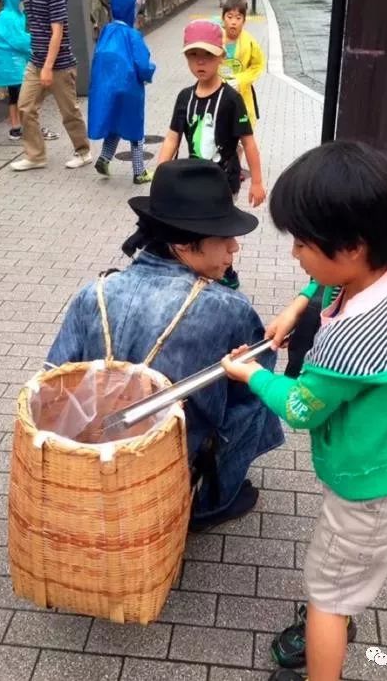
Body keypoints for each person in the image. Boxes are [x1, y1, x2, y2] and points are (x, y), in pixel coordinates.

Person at [221, 142, 387, 681]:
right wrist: (301, 302)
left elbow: (301, 407)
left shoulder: (347, 344)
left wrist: (253, 376)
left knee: (327, 595)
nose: (295, 253)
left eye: (302, 244)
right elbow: (336, 273)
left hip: (367, 489)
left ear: (351, 247)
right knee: (363, 566)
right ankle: (349, 599)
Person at [47, 159, 284, 530]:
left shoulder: (93, 293)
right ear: (183, 244)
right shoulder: (227, 307)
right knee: (256, 394)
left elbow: (55, 381)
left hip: (94, 457)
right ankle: (207, 500)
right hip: (168, 467)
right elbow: (256, 386)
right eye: (224, 238)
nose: (234, 248)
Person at [157, 19, 266, 289]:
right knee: (194, 229)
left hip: (223, 181)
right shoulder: (184, 97)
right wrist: (161, 173)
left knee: (217, 230)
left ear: (220, 57)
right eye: (193, 56)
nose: (200, 63)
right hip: (191, 181)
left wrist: (257, 181)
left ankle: (226, 272)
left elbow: (248, 142)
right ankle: (198, 272)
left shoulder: (231, 99)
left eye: (207, 55)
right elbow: (173, 137)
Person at [10, 0, 91, 172]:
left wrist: (48, 66)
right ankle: (36, 156)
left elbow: (58, 32)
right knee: (25, 107)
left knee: (69, 112)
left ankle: (83, 152)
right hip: (35, 61)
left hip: (60, 64)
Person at [88, 0, 155, 184]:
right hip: (130, 88)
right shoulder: (133, 35)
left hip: (109, 87)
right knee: (135, 128)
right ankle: (139, 171)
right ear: (131, 10)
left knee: (114, 125)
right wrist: (149, 72)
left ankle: (104, 158)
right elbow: (142, 63)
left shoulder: (107, 31)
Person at [0, 0, 58, 143]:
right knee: (28, 95)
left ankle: (16, 128)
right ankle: (30, 128)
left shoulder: (7, 15)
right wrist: (40, 44)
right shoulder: (11, 17)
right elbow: (20, 41)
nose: (25, 1)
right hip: (11, 62)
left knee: (15, 95)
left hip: (7, 62)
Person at [220, 0, 265, 129]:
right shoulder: (215, 39)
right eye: (229, 17)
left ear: (244, 21)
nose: (233, 22)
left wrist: (240, 80)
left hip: (241, 94)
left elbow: (257, 66)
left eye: (238, 18)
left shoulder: (250, 42)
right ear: (223, 18)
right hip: (218, 92)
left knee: (242, 133)